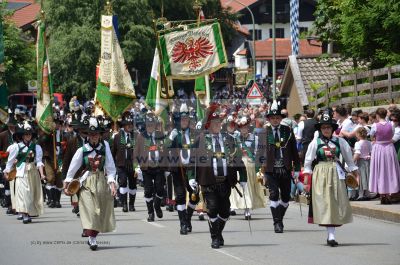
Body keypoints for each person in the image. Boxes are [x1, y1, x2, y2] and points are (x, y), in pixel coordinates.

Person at [303, 110, 359, 246]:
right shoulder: (315, 143)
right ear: (320, 129)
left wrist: (355, 174)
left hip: (337, 174)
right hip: (320, 174)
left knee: (335, 202)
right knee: (325, 203)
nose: (326, 129)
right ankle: (330, 235)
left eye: (328, 127)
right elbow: (308, 162)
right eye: (324, 127)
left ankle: (331, 235)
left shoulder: (340, 142)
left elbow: (349, 160)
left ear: (332, 128)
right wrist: (306, 180)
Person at [64, 116, 117, 251]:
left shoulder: (105, 147)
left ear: (100, 135)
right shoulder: (81, 150)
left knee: (100, 212)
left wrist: (112, 184)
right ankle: (92, 238)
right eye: (92, 134)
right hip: (86, 183)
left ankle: (92, 235)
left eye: (96, 134)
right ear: (88, 135)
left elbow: (110, 167)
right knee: (91, 211)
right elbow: (71, 170)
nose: (94, 137)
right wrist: (67, 184)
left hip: (101, 182)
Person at [195, 103, 241, 249]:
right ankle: (215, 237)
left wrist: (243, 177)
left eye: (219, 123)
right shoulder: (201, 139)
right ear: (208, 125)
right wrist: (191, 177)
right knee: (212, 208)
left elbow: (237, 157)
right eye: (214, 123)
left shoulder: (228, 139)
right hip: (208, 181)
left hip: (225, 181)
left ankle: (218, 232)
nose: (217, 125)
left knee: (225, 211)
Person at [257, 100, 301, 233]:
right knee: (274, 194)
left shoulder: (287, 130)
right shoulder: (264, 132)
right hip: (271, 169)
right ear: (269, 119)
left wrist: (298, 168)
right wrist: (260, 169)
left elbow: (294, 150)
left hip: (285, 167)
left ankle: (279, 218)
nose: (275, 120)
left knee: (286, 197)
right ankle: (277, 222)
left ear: (280, 119)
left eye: (277, 118)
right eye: (273, 118)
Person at [4, 120, 45, 224]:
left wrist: (42, 174)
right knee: (24, 193)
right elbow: (10, 161)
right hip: (21, 172)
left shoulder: (36, 147)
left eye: (29, 134)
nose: (28, 136)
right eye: (26, 134)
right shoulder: (16, 147)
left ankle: (25, 211)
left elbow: (39, 161)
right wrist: (7, 171)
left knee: (31, 194)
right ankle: (25, 214)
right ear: (22, 135)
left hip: (33, 172)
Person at [167, 103, 200, 235]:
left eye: (186, 120)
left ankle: (188, 218)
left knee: (195, 196)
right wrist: (170, 138)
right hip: (178, 169)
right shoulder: (174, 134)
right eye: (182, 120)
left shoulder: (195, 134)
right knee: (180, 196)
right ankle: (183, 224)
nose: (184, 122)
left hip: (192, 169)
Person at [230, 116, 265, 220]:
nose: (243, 130)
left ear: (248, 128)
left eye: (244, 127)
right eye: (241, 128)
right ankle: (233, 206)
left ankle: (247, 210)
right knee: (236, 187)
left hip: (250, 166)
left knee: (248, 188)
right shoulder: (235, 138)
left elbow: (258, 153)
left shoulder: (255, 138)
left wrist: (259, 168)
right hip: (238, 165)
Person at [135, 112, 167, 222]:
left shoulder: (160, 135)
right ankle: (150, 213)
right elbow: (136, 152)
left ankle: (157, 206)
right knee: (148, 191)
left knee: (160, 189)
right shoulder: (141, 136)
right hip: (146, 168)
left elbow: (166, 151)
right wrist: (136, 166)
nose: (150, 127)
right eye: (148, 125)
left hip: (159, 167)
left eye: (152, 124)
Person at [369, 108, 400, 204]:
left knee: (379, 170)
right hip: (389, 148)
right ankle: (388, 193)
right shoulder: (391, 124)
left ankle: (382, 194)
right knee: (389, 170)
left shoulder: (374, 125)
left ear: (377, 115)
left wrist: (375, 140)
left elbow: (371, 135)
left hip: (378, 148)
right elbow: (392, 134)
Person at [112, 112, 137, 212]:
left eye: (131, 124)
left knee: (133, 185)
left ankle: (131, 204)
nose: (130, 126)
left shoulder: (136, 136)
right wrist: (112, 165)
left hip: (133, 165)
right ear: (124, 126)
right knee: (122, 183)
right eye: (128, 124)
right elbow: (113, 151)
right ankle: (124, 204)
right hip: (121, 164)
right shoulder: (118, 136)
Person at [0, 111, 18, 215]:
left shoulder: (19, 135)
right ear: (8, 126)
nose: (12, 127)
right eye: (11, 125)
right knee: (7, 184)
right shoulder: (2, 135)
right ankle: (9, 205)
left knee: (16, 184)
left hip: (17, 163)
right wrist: (3, 155)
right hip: (5, 163)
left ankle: (15, 205)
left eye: (14, 125)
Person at [353, 127, 372, 201]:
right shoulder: (369, 142)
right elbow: (371, 152)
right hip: (368, 161)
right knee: (367, 176)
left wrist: (351, 162)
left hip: (361, 162)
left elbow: (358, 153)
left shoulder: (357, 143)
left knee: (361, 177)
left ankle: (361, 194)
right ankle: (367, 193)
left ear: (358, 134)